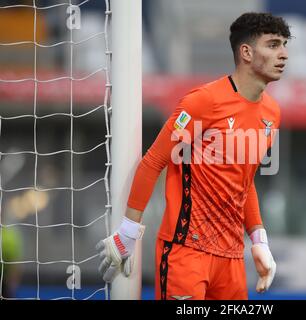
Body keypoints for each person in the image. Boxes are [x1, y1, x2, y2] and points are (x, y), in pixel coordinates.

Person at [96, 12, 290, 300]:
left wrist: (259, 239)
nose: (284, 54)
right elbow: (153, 161)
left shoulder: (272, 113)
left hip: (232, 259)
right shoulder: (203, 101)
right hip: (186, 251)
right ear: (246, 52)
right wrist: (128, 231)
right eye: (273, 45)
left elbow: (244, 181)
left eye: (285, 45)